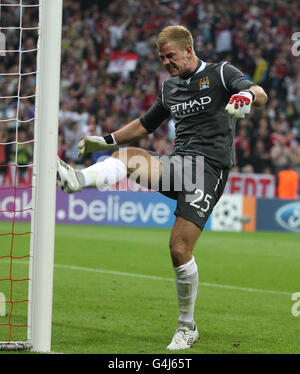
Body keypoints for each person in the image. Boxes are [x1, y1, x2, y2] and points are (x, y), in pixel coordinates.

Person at [57, 25, 268, 350]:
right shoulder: (170, 88)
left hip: (209, 170)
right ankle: (77, 180)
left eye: (171, 56)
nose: (166, 62)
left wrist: (245, 95)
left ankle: (187, 327)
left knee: (179, 250)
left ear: (188, 50)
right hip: (178, 163)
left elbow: (260, 92)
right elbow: (145, 124)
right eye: (161, 58)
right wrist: (107, 139)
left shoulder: (221, 72)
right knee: (126, 156)